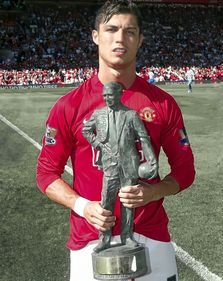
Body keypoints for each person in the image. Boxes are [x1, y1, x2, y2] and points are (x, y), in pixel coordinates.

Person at [36, 1, 195, 281]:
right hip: (90, 241)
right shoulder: (69, 107)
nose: (120, 38)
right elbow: (46, 173)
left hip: (152, 240)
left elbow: (185, 171)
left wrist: (154, 191)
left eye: (129, 31)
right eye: (111, 29)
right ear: (95, 36)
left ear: (140, 39)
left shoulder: (162, 104)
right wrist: (84, 207)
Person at [82, 81, 158, 253]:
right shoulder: (98, 114)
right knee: (106, 201)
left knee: (128, 203)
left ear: (119, 94)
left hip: (129, 165)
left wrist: (152, 160)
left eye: (110, 95)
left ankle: (127, 236)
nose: (107, 98)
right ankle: (105, 238)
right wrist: (98, 144)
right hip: (109, 165)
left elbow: (144, 137)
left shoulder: (131, 115)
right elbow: (86, 130)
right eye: (104, 96)